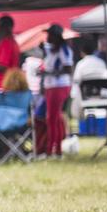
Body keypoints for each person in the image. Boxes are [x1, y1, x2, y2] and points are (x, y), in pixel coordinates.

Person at [41, 24, 74, 157]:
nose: (47, 37)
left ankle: (52, 150)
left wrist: (51, 73)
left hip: (58, 86)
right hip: (51, 86)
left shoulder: (64, 49)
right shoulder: (52, 50)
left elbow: (68, 69)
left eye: (49, 34)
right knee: (55, 118)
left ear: (55, 36)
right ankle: (56, 149)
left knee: (52, 119)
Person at [0, 15, 20, 106]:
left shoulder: (7, 42)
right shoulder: (11, 42)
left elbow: (2, 66)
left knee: (1, 115)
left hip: (2, 87)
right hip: (6, 87)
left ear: (6, 28)